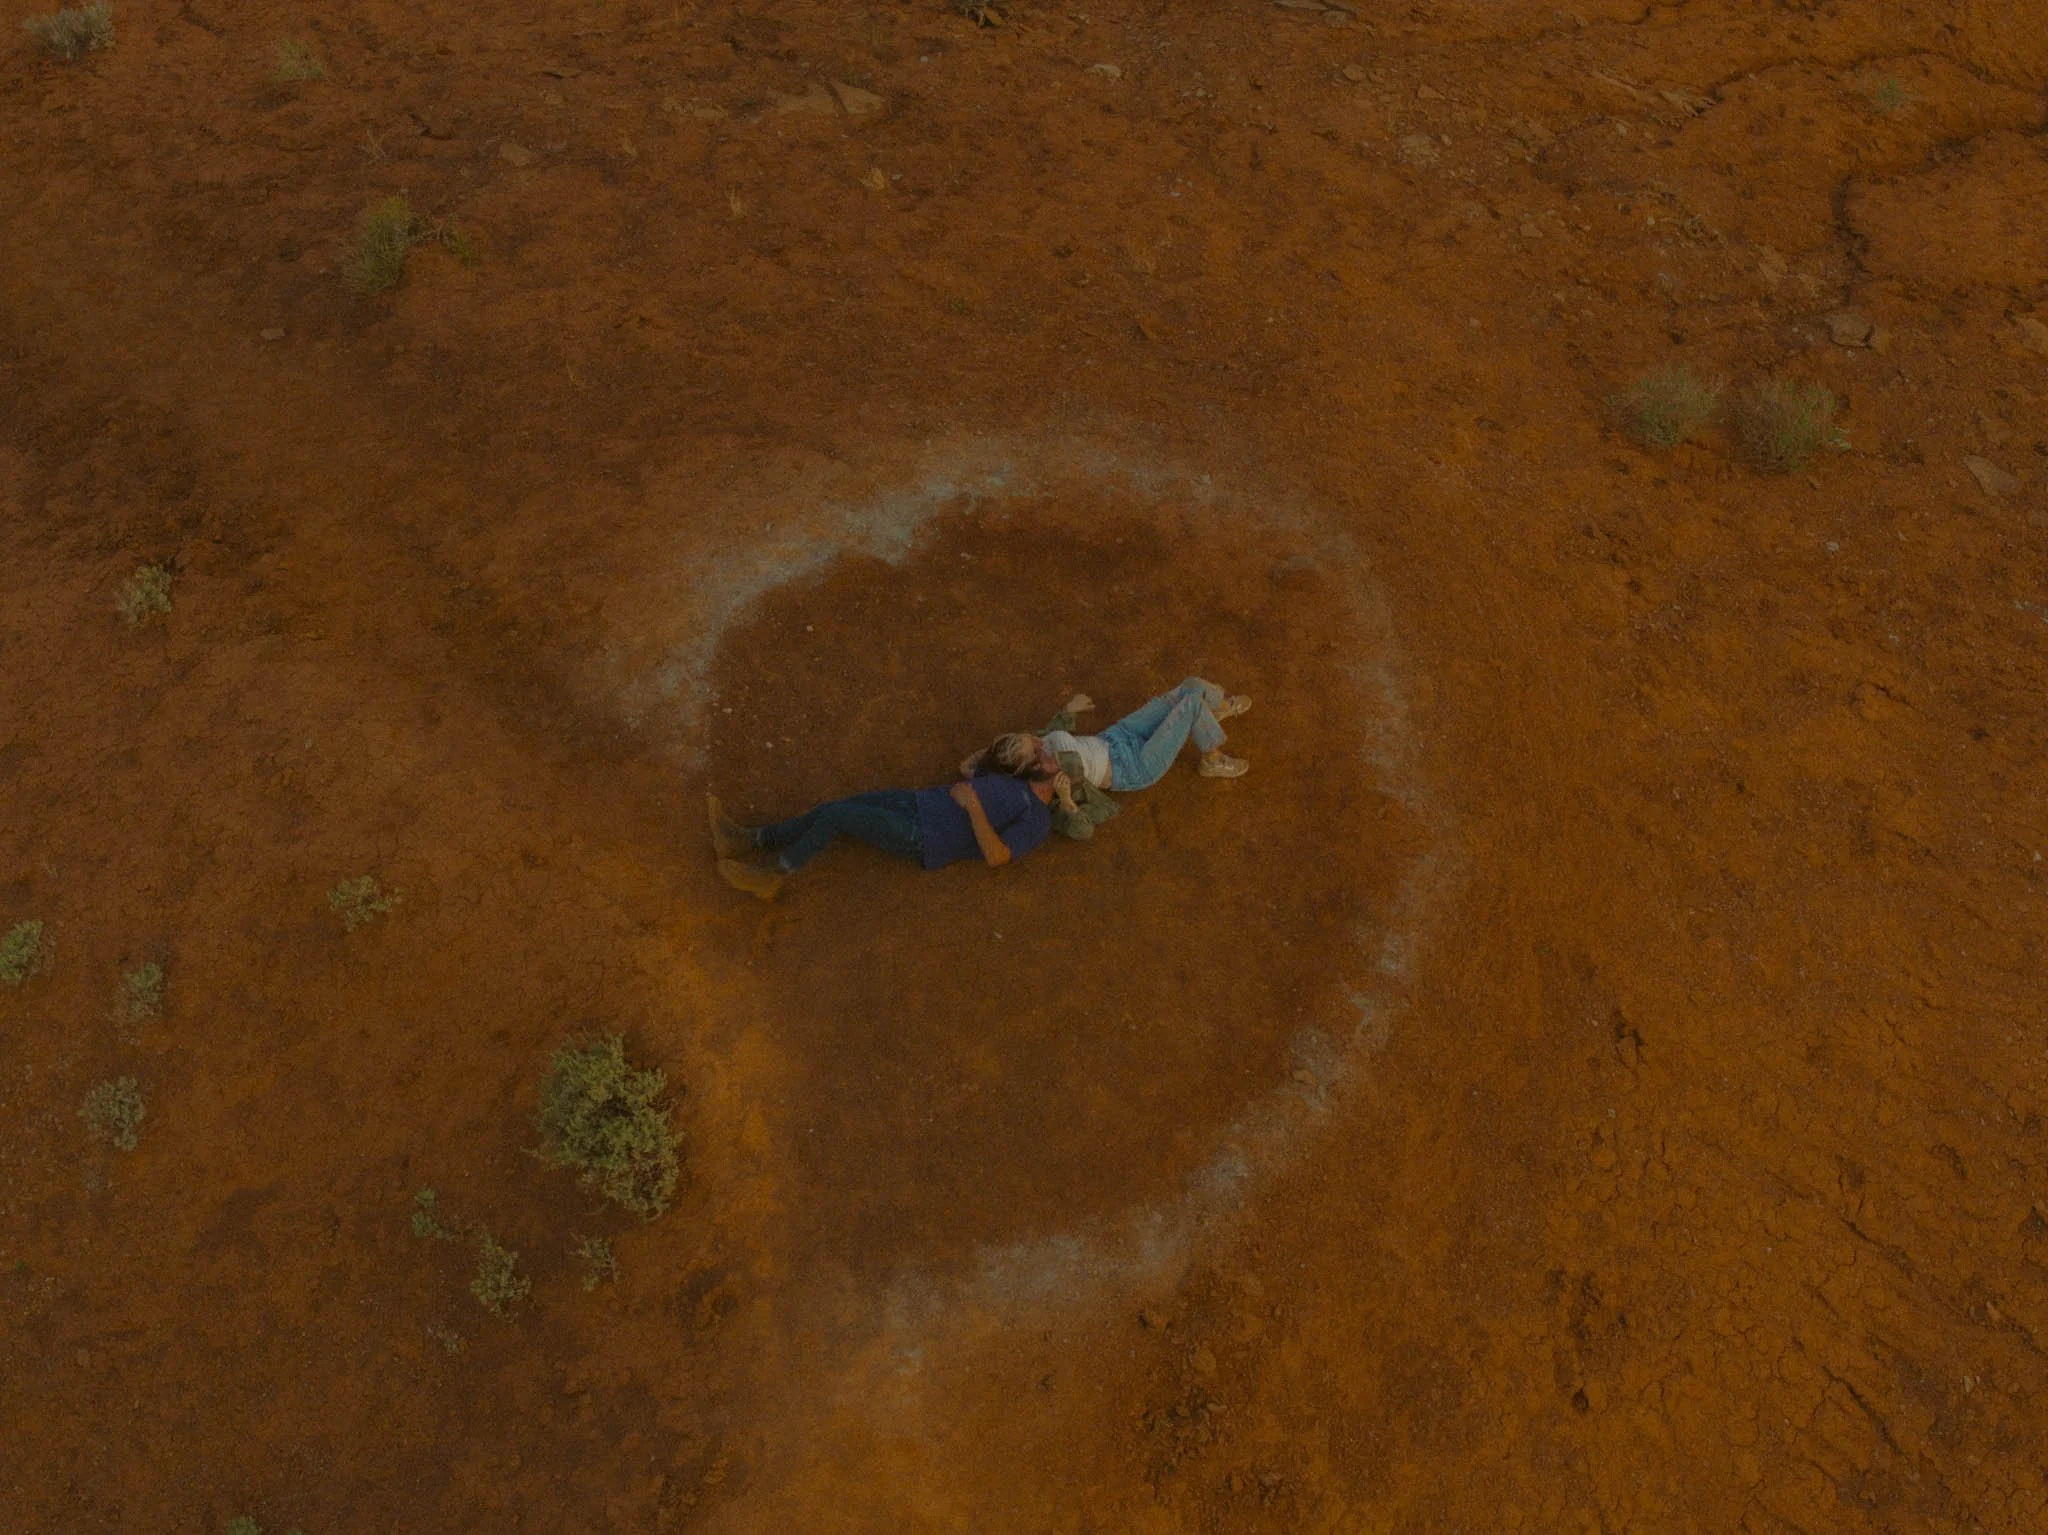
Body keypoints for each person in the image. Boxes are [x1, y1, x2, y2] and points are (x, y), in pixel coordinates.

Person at [706, 758, 1056, 899]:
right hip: (918, 802)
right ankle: (747, 839)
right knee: (833, 808)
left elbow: (997, 856)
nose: (1046, 755)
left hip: (926, 836)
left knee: (837, 817)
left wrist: (974, 806)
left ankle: (774, 873)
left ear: (1059, 780)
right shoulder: (1021, 774)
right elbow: (968, 766)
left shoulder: (1038, 821)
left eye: (1053, 759)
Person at [961, 678, 1251, 839]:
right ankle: (1211, 759)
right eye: (1035, 749)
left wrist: (1069, 710)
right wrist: (1066, 800)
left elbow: (970, 766)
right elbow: (1082, 830)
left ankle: (1216, 710)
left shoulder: (1034, 750)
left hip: (1117, 737)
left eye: (1031, 738)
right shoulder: (1050, 783)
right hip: (1135, 766)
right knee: (1190, 705)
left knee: (1191, 686)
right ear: (1031, 766)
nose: (1039, 741)